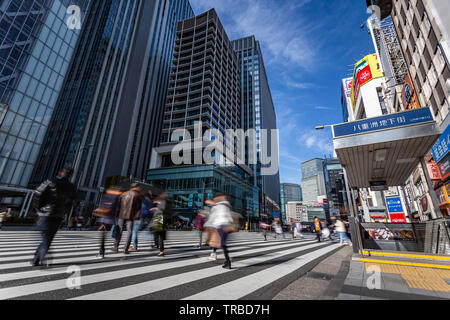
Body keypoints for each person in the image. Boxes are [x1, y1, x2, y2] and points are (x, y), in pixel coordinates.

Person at [31, 168, 78, 267]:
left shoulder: (51, 181)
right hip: (58, 215)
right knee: (48, 237)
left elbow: (38, 193)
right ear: (71, 176)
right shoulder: (72, 187)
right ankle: (38, 257)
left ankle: (39, 257)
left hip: (45, 213)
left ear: (60, 173)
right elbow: (71, 202)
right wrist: (64, 211)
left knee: (46, 237)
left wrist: (38, 209)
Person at [204, 193, 234, 269]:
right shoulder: (226, 205)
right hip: (224, 225)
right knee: (222, 244)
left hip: (221, 225)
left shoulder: (221, 205)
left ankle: (227, 261)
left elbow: (216, 215)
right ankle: (227, 261)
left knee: (222, 244)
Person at [113, 183, 144, 255]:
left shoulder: (123, 194)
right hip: (131, 216)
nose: (140, 189)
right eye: (139, 187)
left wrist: (116, 215)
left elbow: (118, 205)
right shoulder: (138, 195)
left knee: (119, 230)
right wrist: (137, 217)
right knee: (129, 231)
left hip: (121, 215)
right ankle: (125, 249)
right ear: (136, 187)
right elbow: (139, 207)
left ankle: (115, 247)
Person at [93, 186, 123, 259]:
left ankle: (101, 252)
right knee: (103, 236)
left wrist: (99, 211)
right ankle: (102, 252)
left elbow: (107, 206)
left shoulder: (110, 196)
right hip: (110, 219)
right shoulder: (118, 197)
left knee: (102, 236)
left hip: (105, 219)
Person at [151, 192, 172, 257]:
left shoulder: (163, 202)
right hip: (163, 219)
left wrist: (156, 208)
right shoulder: (168, 203)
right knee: (160, 235)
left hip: (159, 218)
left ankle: (158, 247)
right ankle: (160, 250)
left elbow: (161, 210)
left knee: (157, 234)